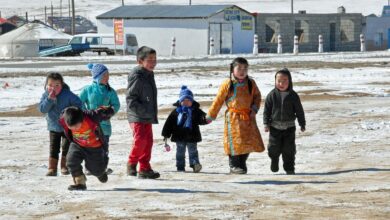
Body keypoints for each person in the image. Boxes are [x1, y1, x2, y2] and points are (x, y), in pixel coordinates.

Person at [207, 57, 265, 174]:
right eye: (239, 68)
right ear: (232, 69)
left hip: (248, 117)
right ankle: (234, 165)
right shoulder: (228, 84)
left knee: (247, 142)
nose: (242, 71)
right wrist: (210, 116)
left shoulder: (251, 83)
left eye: (245, 68)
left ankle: (241, 164)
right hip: (233, 118)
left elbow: (257, 97)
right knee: (235, 142)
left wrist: (254, 109)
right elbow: (218, 100)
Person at [59, 106, 114, 190]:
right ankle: (80, 183)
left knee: (95, 170)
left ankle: (101, 172)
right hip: (78, 144)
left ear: (81, 119)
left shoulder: (91, 116)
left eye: (77, 126)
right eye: (71, 127)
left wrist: (108, 111)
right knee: (71, 161)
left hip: (94, 146)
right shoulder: (63, 119)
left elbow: (101, 112)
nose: (74, 129)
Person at [38, 72, 82, 176]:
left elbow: (79, 104)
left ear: (62, 85)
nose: (53, 88)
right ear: (46, 85)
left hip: (67, 127)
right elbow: (42, 109)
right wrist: (49, 100)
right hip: (53, 126)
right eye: (50, 85)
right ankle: (52, 168)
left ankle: (64, 166)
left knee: (66, 147)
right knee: (54, 148)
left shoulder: (67, 94)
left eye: (57, 85)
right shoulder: (45, 95)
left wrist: (72, 113)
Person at [125, 46, 160, 179]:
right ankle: (131, 163)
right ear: (140, 61)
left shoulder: (149, 74)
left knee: (148, 141)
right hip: (137, 115)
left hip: (147, 115)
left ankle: (144, 168)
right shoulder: (137, 75)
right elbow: (131, 98)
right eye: (150, 60)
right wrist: (143, 111)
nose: (153, 62)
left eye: (155, 59)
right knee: (140, 140)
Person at [79, 63, 120, 174]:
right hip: (90, 125)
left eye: (108, 75)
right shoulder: (87, 90)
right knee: (90, 146)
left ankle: (102, 168)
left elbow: (116, 104)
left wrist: (110, 111)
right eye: (104, 75)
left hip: (105, 125)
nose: (107, 77)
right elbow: (78, 103)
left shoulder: (110, 91)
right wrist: (86, 113)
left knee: (104, 147)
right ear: (97, 77)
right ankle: (88, 168)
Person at [263, 68, 306, 175]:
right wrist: (266, 123)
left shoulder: (293, 96)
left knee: (289, 150)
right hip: (274, 127)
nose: (281, 83)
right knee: (273, 148)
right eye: (279, 81)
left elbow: (299, 110)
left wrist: (302, 123)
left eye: (285, 81)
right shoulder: (272, 95)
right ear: (275, 81)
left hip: (289, 128)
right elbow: (266, 111)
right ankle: (274, 160)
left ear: (290, 81)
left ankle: (289, 168)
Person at [162, 85, 209, 173]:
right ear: (180, 101)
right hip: (179, 136)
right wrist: (166, 134)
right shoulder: (176, 112)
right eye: (184, 100)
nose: (186, 102)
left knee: (193, 151)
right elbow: (169, 124)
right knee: (180, 153)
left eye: (189, 100)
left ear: (192, 101)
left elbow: (202, 118)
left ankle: (195, 164)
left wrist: (206, 119)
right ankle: (180, 166)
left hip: (192, 136)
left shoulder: (196, 111)